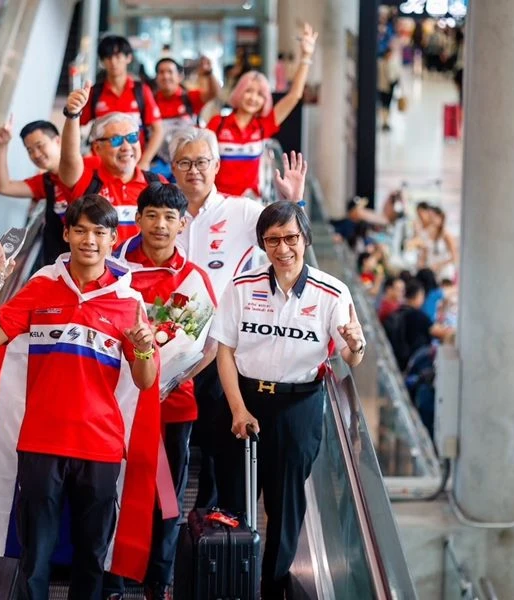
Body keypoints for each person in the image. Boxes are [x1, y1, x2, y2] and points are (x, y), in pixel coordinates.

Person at [0, 195, 160, 600]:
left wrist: (144, 348)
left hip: (101, 446)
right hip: (41, 441)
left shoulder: (128, 302)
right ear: (67, 234)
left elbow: (145, 382)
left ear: (112, 239)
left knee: (91, 557)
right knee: (34, 558)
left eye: (99, 232)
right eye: (81, 230)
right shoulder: (41, 286)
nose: (89, 240)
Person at [210, 201, 365, 598]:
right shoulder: (241, 287)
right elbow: (225, 350)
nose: (283, 248)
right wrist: (238, 408)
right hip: (244, 400)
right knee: (233, 500)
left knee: (285, 507)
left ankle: (272, 586)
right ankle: (232, 583)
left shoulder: (332, 292)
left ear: (305, 238)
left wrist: (356, 345)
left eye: (291, 238)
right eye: (272, 240)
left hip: (299, 407)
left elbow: (350, 356)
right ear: (262, 243)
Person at [168, 126, 306, 508]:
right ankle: (170, 514)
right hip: (169, 348)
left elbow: (287, 238)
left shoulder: (241, 211)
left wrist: (294, 202)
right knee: (173, 439)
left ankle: (213, 514)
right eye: (184, 163)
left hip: (221, 348)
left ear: (216, 165)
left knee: (220, 442)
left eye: (201, 161)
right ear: (172, 168)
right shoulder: (165, 216)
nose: (194, 170)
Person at [110, 183, 218, 599]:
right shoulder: (114, 271)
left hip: (174, 404)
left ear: (182, 224)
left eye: (170, 217)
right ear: (137, 219)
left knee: (167, 496)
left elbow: (209, 346)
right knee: (117, 489)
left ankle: (160, 577)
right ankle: (115, 576)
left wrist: (171, 380)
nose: (160, 224)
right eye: (151, 215)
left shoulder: (194, 278)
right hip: (117, 404)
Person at [205, 24, 318, 198]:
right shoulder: (217, 123)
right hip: (218, 201)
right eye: (248, 91)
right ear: (239, 92)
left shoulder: (263, 125)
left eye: (260, 94)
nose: (253, 98)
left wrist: (306, 56)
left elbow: (294, 96)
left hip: (251, 202)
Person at [61, 86, 167, 242]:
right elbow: (69, 158)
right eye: (116, 140)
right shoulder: (85, 181)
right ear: (97, 148)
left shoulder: (157, 184)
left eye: (132, 137)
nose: (126, 146)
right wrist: (73, 115)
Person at [0, 118, 96, 264]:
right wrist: (2, 146)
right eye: (30, 150)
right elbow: (3, 187)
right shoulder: (46, 182)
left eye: (40, 146)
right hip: (65, 263)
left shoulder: (93, 167)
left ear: (58, 141)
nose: (36, 154)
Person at [81, 35, 164, 170]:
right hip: (101, 165)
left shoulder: (141, 91)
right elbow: (77, 125)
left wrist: (145, 161)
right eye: (108, 58)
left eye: (118, 56)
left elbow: (158, 130)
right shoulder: (94, 93)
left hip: (135, 163)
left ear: (128, 58)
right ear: (102, 61)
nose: (113, 62)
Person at [151, 57, 221, 178]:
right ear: (157, 78)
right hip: (160, 164)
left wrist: (209, 73)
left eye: (170, 72)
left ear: (179, 76)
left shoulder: (189, 98)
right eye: (161, 72)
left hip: (188, 163)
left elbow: (213, 93)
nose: (166, 76)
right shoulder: (150, 101)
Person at [384, 279, 453, 372]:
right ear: (418, 295)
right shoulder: (418, 315)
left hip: (398, 360)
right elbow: (440, 333)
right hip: (415, 364)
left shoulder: (398, 312)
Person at [377, 47, 399, 132]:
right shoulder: (382, 63)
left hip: (388, 87)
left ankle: (386, 122)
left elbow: (396, 74)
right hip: (384, 87)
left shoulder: (390, 63)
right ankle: (384, 122)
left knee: (387, 105)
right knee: (384, 104)